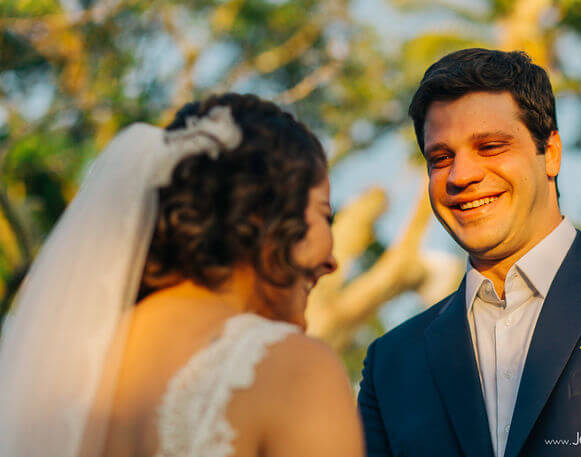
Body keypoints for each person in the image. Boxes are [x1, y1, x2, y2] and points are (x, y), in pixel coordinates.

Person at [358, 48, 581, 457]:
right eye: (441, 158)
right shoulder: (390, 364)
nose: (462, 175)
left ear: (551, 153)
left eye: (491, 147)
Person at [0, 93, 365, 457]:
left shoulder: (59, 373)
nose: (331, 260)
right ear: (260, 213)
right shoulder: (296, 371)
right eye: (323, 215)